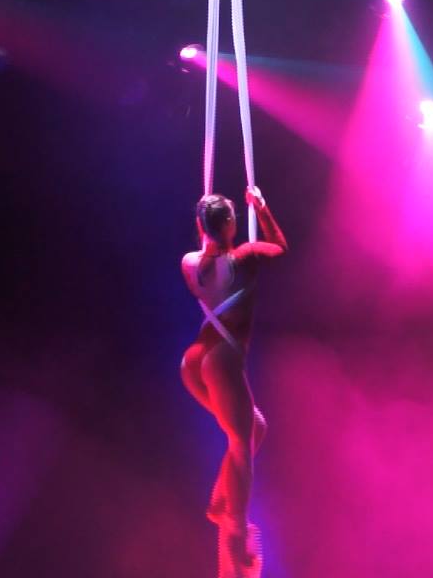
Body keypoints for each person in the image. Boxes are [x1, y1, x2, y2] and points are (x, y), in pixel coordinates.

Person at [180, 185, 288, 576]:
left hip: (195, 361)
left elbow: (209, 252)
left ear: (199, 225)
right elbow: (279, 246)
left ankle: (218, 500)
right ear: (230, 225)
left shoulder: (190, 262)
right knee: (242, 444)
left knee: (253, 427)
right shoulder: (245, 259)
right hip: (222, 362)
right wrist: (260, 207)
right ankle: (236, 536)